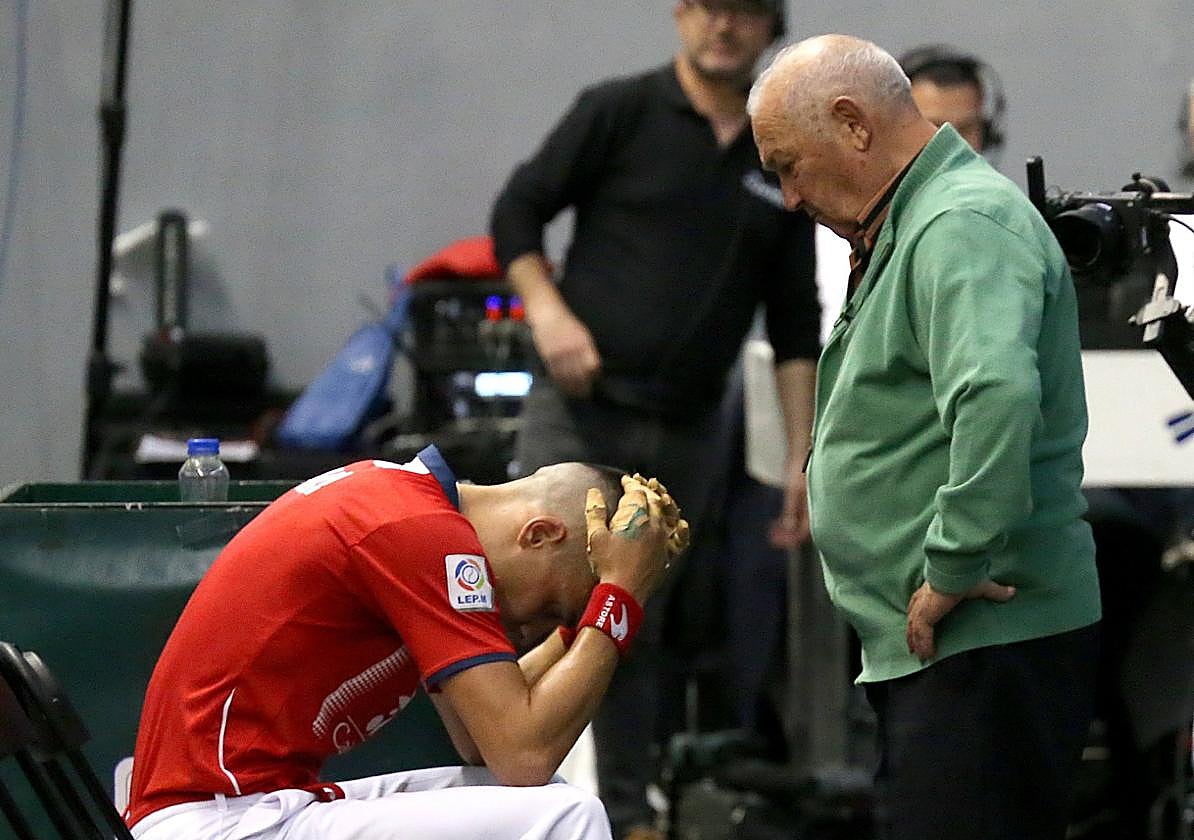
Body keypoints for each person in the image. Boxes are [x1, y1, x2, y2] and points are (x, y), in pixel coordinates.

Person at [748, 35, 1102, 840]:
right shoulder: (916, 221)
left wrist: (953, 562)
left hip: (983, 637)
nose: (791, 198)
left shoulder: (960, 224)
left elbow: (996, 393)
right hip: (954, 647)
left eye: (789, 166)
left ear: (854, 123)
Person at [489, 2, 821, 836]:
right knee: (519, 601)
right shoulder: (620, 110)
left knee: (637, 623)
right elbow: (517, 212)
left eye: (747, 13)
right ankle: (489, 797)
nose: (725, 28)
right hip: (578, 411)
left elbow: (793, 321)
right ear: (682, 15)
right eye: (712, 8)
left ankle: (629, 813)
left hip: (686, 429)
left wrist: (801, 458)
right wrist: (549, 314)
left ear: (769, 28)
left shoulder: (773, 148)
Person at [124, 445, 688, 840]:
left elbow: (482, 744)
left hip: (249, 808)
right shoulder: (422, 534)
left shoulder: (411, 508)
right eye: (550, 605)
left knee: (528, 801)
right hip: (220, 824)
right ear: (538, 535)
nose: (532, 625)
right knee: (568, 817)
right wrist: (618, 598)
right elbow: (525, 752)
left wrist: (588, 620)